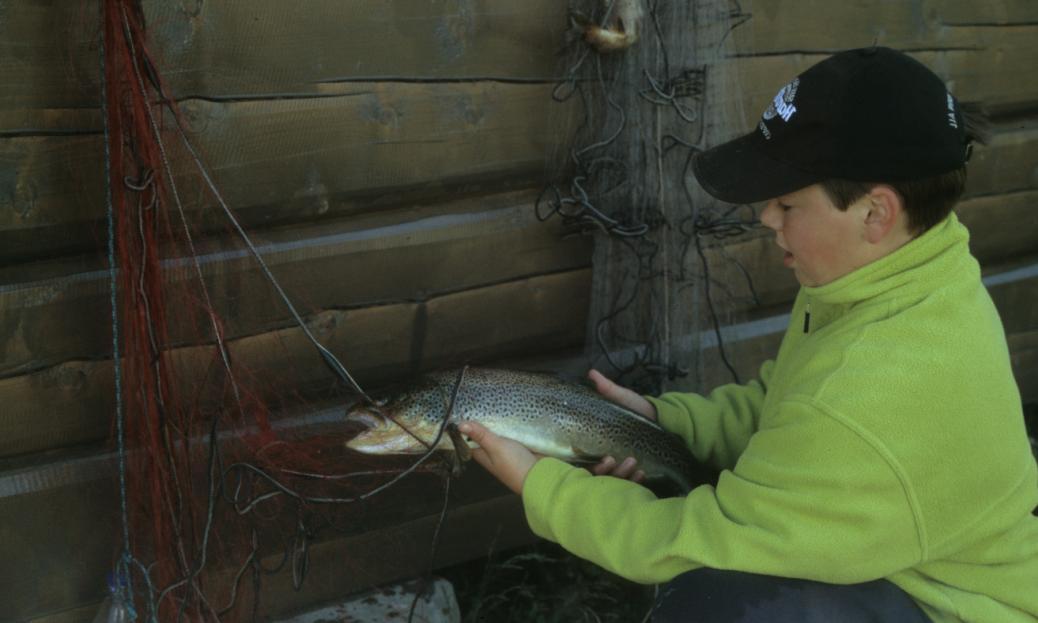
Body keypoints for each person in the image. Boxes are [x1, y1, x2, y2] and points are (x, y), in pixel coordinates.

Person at [458, 46, 1038, 622]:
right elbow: (787, 408)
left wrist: (540, 484)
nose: (765, 218)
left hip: (953, 609)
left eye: (787, 203)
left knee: (715, 601)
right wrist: (666, 422)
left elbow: (702, 539)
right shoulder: (904, 279)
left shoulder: (874, 390)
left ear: (875, 214)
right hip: (907, 569)